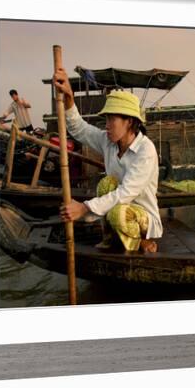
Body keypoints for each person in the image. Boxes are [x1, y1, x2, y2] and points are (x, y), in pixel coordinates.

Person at [53, 67, 161, 253]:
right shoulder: (108, 141)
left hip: (142, 216)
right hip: (116, 210)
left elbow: (127, 192)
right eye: (106, 120)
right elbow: (79, 129)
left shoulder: (146, 150)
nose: (107, 125)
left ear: (129, 122)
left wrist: (85, 208)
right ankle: (111, 236)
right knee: (106, 184)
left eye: (112, 119)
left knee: (119, 212)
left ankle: (143, 241)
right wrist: (69, 97)